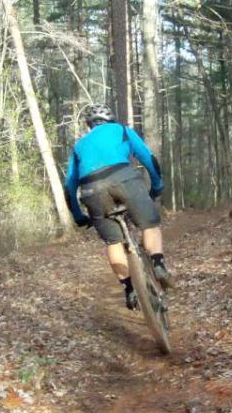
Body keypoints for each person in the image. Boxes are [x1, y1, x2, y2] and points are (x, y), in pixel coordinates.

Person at [64, 103, 173, 310]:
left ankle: (129, 288)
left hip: (91, 189)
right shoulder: (122, 130)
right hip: (125, 179)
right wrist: (157, 185)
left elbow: (70, 185)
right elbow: (147, 158)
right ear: (110, 120)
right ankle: (158, 264)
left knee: (113, 242)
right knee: (149, 225)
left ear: (90, 125)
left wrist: (78, 215)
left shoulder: (80, 145)